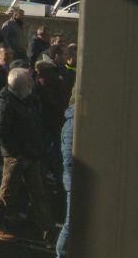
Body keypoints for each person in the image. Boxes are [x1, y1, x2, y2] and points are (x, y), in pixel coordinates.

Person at [0, 68, 53, 242]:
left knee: (39, 193)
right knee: (7, 191)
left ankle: (47, 230)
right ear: (21, 85)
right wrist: (16, 153)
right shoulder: (6, 102)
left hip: (30, 153)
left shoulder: (26, 99)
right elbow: (0, 133)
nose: (32, 84)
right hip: (17, 156)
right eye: (29, 82)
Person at [56, 101, 75, 257]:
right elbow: (69, 160)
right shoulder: (74, 125)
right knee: (70, 222)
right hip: (73, 179)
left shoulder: (71, 123)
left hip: (71, 177)